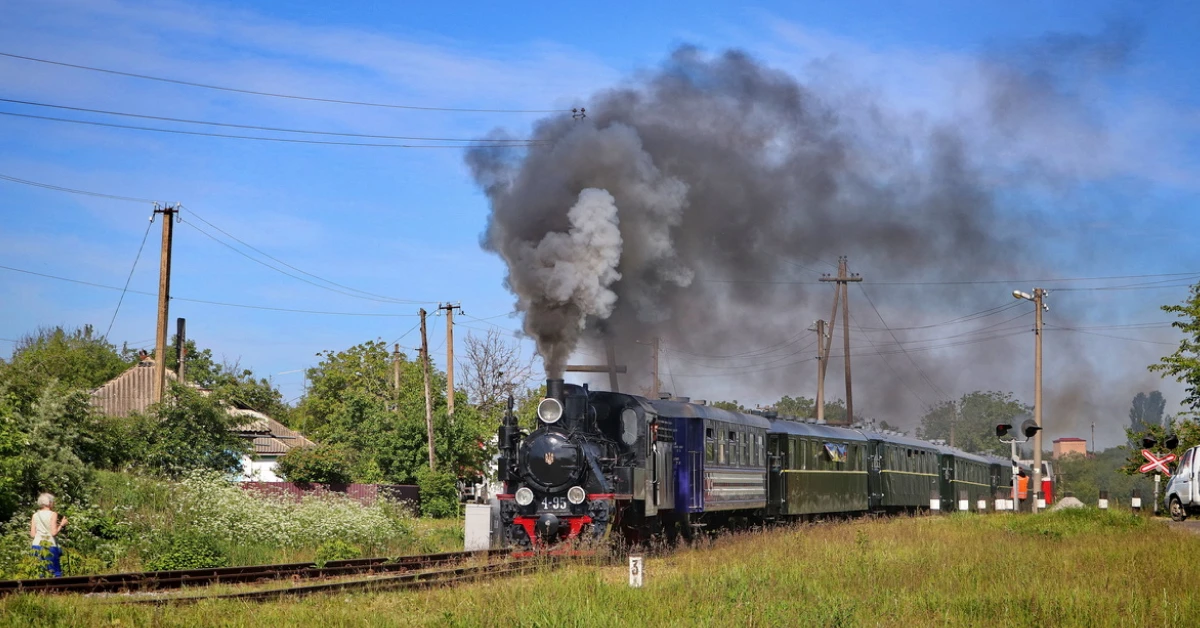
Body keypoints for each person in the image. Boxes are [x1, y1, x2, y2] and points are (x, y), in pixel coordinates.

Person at [29, 493, 67, 577]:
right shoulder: (53, 514)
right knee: (55, 572)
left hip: (36, 546)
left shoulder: (35, 515)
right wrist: (61, 524)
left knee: (39, 573)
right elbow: (54, 533)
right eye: (53, 502)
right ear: (49, 503)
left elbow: (32, 534)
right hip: (50, 545)